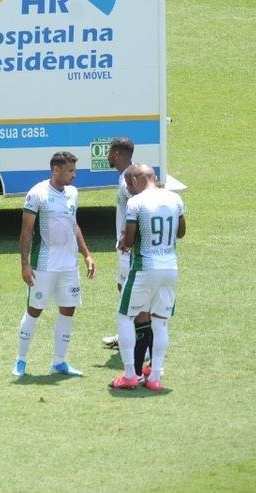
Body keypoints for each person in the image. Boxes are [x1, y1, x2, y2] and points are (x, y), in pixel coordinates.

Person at [12, 151, 96, 377]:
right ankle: (21, 360)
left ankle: (59, 362)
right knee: (34, 310)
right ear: (56, 170)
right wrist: (24, 264)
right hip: (44, 265)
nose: (74, 176)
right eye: (70, 171)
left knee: (68, 310)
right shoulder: (37, 194)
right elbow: (26, 232)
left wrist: (86, 254)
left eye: (74, 170)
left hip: (69, 265)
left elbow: (73, 225)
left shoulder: (73, 193)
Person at [110, 164, 186, 391]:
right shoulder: (175, 199)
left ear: (134, 181)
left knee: (125, 318)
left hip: (145, 267)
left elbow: (130, 241)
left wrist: (124, 239)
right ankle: (154, 377)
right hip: (170, 267)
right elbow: (181, 232)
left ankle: (130, 375)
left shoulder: (136, 202)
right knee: (160, 322)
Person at [100, 137, 152, 372]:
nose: (108, 156)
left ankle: (141, 344)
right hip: (126, 248)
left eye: (110, 152)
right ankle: (127, 336)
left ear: (118, 154)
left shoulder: (127, 183)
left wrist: (128, 241)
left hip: (128, 249)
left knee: (132, 295)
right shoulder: (128, 177)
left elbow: (138, 211)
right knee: (124, 291)